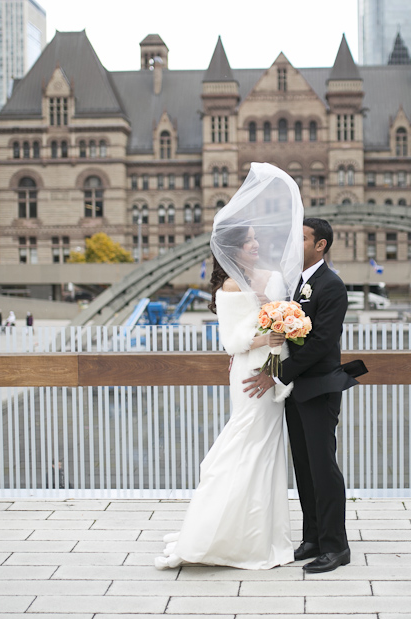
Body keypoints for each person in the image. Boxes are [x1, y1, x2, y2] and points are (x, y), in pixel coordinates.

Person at [155, 162, 303, 571]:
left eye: (257, 240)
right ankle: (217, 532)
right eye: (251, 242)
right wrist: (268, 337)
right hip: (248, 373)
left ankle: (262, 534)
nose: (257, 246)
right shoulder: (230, 288)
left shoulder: (272, 279)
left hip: (274, 374)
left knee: (268, 453)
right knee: (243, 446)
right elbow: (232, 341)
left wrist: (286, 331)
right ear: (235, 248)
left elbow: (286, 315)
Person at [243, 218, 356, 573]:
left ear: (320, 245)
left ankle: (337, 547)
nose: (296, 244)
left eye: (303, 238)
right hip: (296, 391)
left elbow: (322, 343)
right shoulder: (295, 285)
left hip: (320, 389)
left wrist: (275, 374)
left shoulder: (332, 286)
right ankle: (314, 538)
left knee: (324, 468)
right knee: (304, 468)